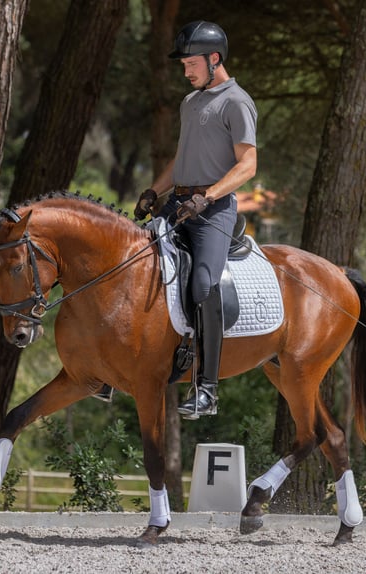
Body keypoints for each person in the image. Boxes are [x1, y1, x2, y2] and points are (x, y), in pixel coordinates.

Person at [134, 20, 258, 419]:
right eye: (184, 64)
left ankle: (207, 389)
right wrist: (156, 190)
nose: (185, 71)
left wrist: (208, 197)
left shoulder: (236, 102)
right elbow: (181, 161)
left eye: (191, 64)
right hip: (180, 204)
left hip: (215, 211)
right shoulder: (191, 103)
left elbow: (248, 165)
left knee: (204, 284)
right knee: (135, 264)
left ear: (214, 58)